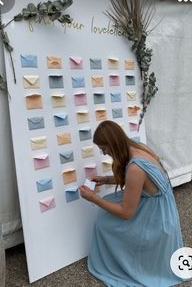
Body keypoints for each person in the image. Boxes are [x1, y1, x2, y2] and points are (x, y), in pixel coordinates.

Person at [79, 120, 185, 287]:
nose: (104, 153)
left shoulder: (135, 167)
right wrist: (105, 179)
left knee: (103, 221)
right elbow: (136, 181)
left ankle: (122, 263)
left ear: (113, 145)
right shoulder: (140, 147)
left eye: (104, 149)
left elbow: (126, 213)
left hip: (157, 215)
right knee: (107, 207)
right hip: (161, 205)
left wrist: (94, 198)